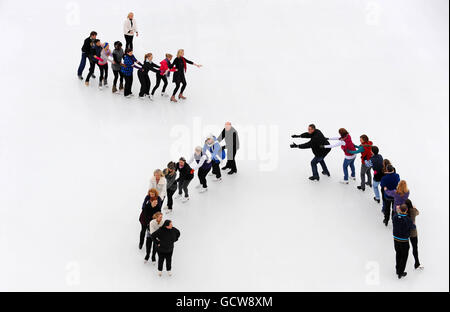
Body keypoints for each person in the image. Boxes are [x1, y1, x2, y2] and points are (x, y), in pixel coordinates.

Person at [392, 204, 416, 279]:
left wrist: (398, 211)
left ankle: (397, 269)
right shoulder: (408, 219)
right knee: (404, 256)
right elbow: (413, 227)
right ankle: (400, 272)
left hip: (396, 239)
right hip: (404, 241)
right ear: (406, 210)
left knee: (398, 254)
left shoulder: (395, 217)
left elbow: (396, 215)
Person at [404, 199, 423, 269]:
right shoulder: (413, 211)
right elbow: (418, 213)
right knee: (415, 247)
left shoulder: (403, 212)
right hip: (413, 233)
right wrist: (414, 208)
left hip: (405, 232)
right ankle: (417, 263)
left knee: (405, 248)